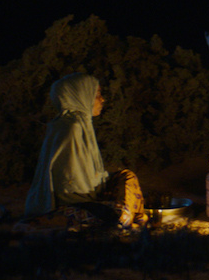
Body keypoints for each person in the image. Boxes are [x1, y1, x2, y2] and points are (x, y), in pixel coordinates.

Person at [21, 73, 145, 232]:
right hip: (68, 206)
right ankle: (38, 225)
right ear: (80, 96)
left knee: (127, 176)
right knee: (117, 215)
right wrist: (100, 199)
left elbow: (86, 176)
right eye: (97, 94)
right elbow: (70, 189)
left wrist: (103, 184)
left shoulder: (79, 123)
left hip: (88, 199)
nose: (102, 99)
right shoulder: (72, 128)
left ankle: (127, 219)